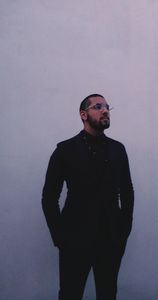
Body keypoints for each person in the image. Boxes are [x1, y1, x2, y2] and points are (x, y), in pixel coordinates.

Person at [42, 94, 134, 300]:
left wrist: (124, 228)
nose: (105, 110)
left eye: (107, 107)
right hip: (75, 239)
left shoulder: (118, 149)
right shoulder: (64, 150)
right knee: (70, 294)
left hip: (111, 238)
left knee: (108, 293)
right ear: (83, 115)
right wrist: (59, 237)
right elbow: (49, 197)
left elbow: (128, 191)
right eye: (98, 106)